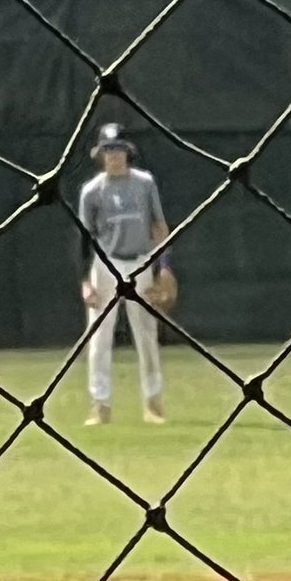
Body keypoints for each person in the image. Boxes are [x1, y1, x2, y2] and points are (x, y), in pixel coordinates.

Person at [76, 122, 172, 426]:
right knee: (99, 337)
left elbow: (158, 226)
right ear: (100, 155)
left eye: (118, 150)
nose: (113, 156)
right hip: (105, 264)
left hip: (140, 262)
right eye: (108, 151)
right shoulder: (92, 191)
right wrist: (85, 282)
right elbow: (84, 238)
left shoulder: (144, 183)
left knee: (146, 334)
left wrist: (165, 267)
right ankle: (100, 406)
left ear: (127, 153)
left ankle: (153, 404)